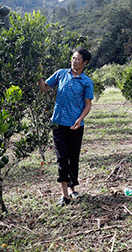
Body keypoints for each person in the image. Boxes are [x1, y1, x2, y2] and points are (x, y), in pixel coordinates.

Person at [38, 48, 94, 206]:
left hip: (76, 125)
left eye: (78, 59)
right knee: (61, 157)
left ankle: (72, 188)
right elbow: (44, 88)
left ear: (85, 63)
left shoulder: (86, 82)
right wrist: (38, 76)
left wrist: (80, 119)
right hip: (58, 123)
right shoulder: (61, 74)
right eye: (73, 58)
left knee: (73, 157)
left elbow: (88, 105)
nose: (74, 61)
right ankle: (64, 195)